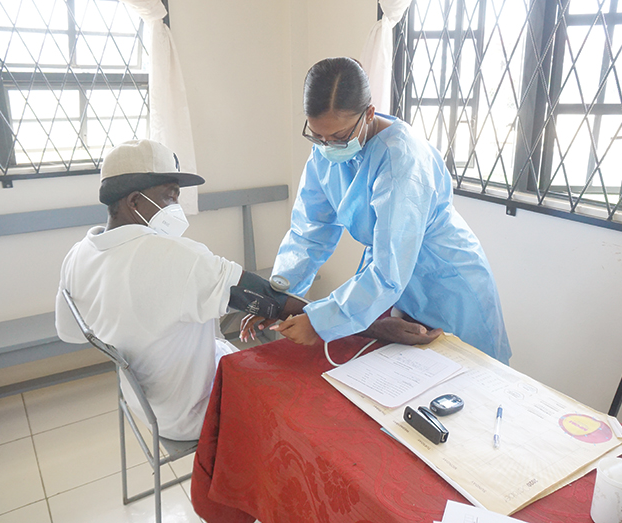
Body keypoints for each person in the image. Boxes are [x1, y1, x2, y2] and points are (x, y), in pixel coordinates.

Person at [55, 139, 437, 441]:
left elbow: (70, 333)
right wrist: (373, 326)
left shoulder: (78, 254)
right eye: (170, 195)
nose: (177, 206)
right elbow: (271, 301)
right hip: (193, 412)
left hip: (141, 402)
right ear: (134, 202)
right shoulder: (174, 257)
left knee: (251, 348)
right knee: (316, 388)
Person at [243, 57, 511, 364]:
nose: (328, 146)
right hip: (395, 283)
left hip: (447, 284)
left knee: (469, 387)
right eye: (318, 136)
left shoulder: (401, 161)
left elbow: (389, 268)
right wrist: (276, 299)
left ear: (369, 113)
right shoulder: (324, 153)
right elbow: (309, 233)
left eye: (340, 137)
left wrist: (318, 323)